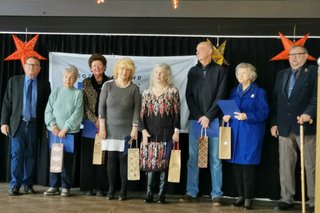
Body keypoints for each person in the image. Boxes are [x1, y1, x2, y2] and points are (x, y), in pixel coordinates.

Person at [180, 41, 228, 206]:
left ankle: (217, 194)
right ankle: (191, 192)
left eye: (200, 49)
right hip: (196, 120)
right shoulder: (193, 71)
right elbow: (189, 96)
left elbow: (221, 96)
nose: (197, 52)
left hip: (214, 120)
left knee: (215, 158)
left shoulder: (221, 71)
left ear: (210, 51)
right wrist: (200, 116)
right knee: (193, 158)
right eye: (196, 49)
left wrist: (208, 116)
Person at [270, 45, 317, 213]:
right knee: (285, 164)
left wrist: (309, 114)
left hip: (305, 126)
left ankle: (314, 201)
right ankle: (286, 198)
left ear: (306, 56)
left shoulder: (313, 72)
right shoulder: (281, 74)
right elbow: (276, 101)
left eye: (298, 54)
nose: (294, 58)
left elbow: (316, 97)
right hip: (284, 126)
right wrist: (274, 122)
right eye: (291, 55)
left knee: (310, 165)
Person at [1, 56, 51, 196]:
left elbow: (48, 107)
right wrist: (4, 122)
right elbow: (7, 103)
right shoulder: (14, 81)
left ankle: (28, 184)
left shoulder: (45, 85)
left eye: (35, 65)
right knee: (16, 155)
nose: (32, 67)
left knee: (31, 156)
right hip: (17, 125)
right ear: (24, 66)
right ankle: (14, 185)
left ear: (40, 69)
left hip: (35, 125)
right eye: (29, 64)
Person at [222, 63, 269, 210]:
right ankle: (240, 195)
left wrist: (247, 116)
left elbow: (264, 112)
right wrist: (226, 117)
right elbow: (229, 110)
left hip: (251, 133)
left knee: (247, 166)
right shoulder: (233, 92)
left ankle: (249, 197)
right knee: (236, 165)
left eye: (243, 73)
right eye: (238, 74)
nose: (240, 76)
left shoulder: (259, 92)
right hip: (235, 132)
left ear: (251, 75)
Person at [98, 57, 141, 201]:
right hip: (109, 130)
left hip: (127, 131)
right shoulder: (107, 85)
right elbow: (101, 108)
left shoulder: (134, 89)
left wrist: (135, 128)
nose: (124, 72)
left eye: (128, 70)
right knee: (111, 159)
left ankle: (123, 190)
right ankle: (111, 189)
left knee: (124, 159)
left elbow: (137, 111)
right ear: (117, 70)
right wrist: (102, 128)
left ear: (131, 72)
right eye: (122, 69)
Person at [140, 63, 181, 204]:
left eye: (162, 72)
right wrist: (143, 131)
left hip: (167, 134)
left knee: (164, 165)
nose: (158, 75)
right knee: (150, 165)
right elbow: (141, 116)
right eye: (156, 72)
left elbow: (177, 114)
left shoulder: (173, 92)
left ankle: (161, 195)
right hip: (150, 134)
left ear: (167, 75)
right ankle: (149, 193)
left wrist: (176, 131)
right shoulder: (146, 92)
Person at [43, 65, 83, 197]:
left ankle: (65, 187)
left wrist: (66, 128)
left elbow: (78, 113)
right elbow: (48, 110)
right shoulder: (56, 91)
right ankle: (53, 186)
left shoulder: (78, 94)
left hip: (69, 133)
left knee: (67, 161)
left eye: (71, 77)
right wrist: (53, 126)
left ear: (76, 79)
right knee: (55, 159)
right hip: (54, 132)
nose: (68, 79)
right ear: (62, 77)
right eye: (66, 76)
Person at [80, 53, 111, 196]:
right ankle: (88, 187)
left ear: (104, 67)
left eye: (99, 65)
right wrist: (95, 120)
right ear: (90, 68)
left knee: (103, 157)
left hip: (107, 125)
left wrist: (103, 120)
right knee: (88, 157)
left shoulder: (111, 82)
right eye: (94, 66)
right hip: (90, 125)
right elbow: (84, 106)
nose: (97, 68)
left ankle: (101, 187)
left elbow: (112, 105)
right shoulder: (85, 83)